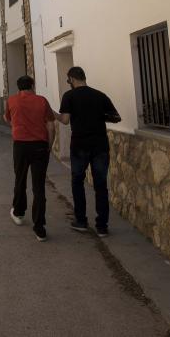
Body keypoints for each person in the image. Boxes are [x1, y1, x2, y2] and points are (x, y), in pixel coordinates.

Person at [58, 66, 120, 237]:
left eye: (68, 80)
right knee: (101, 185)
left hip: (79, 146)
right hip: (100, 145)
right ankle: (102, 226)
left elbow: (64, 120)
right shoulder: (100, 95)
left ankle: (81, 221)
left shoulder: (69, 96)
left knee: (77, 182)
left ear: (71, 78)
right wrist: (99, 116)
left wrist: (51, 114)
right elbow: (116, 117)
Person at [3, 74, 57, 241]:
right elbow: (50, 125)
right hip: (40, 145)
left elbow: (7, 118)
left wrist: (17, 125)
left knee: (20, 179)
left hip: (20, 146)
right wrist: (49, 144)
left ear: (18, 87)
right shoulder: (42, 101)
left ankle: (18, 213)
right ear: (32, 85)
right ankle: (39, 228)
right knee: (39, 186)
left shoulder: (12, 101)